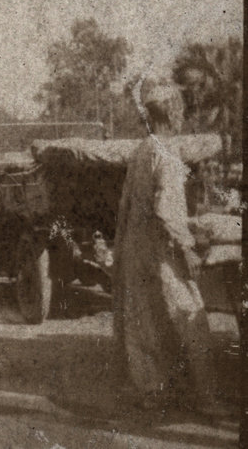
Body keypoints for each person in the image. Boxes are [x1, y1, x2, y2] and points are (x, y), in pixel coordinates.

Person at [113, 81, 220, 414]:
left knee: (142, 321)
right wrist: (187, 247)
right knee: (191, 319)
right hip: (162, 248)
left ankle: (152, 392)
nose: (181, 117)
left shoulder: (142, 150)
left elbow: (127, 204)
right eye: (180, 111)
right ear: (173, 115)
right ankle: (208, 399)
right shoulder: (167, 156)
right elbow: (167, 212)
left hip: (135, 247)